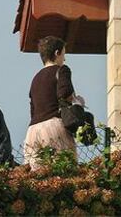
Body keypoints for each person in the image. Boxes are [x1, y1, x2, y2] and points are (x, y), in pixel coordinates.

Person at [24, 36, 84, 169]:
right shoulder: (62, 70)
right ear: (57, 53)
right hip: (53, 126)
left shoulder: (35, 79)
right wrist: (78, 102)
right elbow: (64, 93)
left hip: (33, 131)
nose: (64, 58)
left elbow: (32, 109)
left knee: (38, 177)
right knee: (65, 171)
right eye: (63, 53)